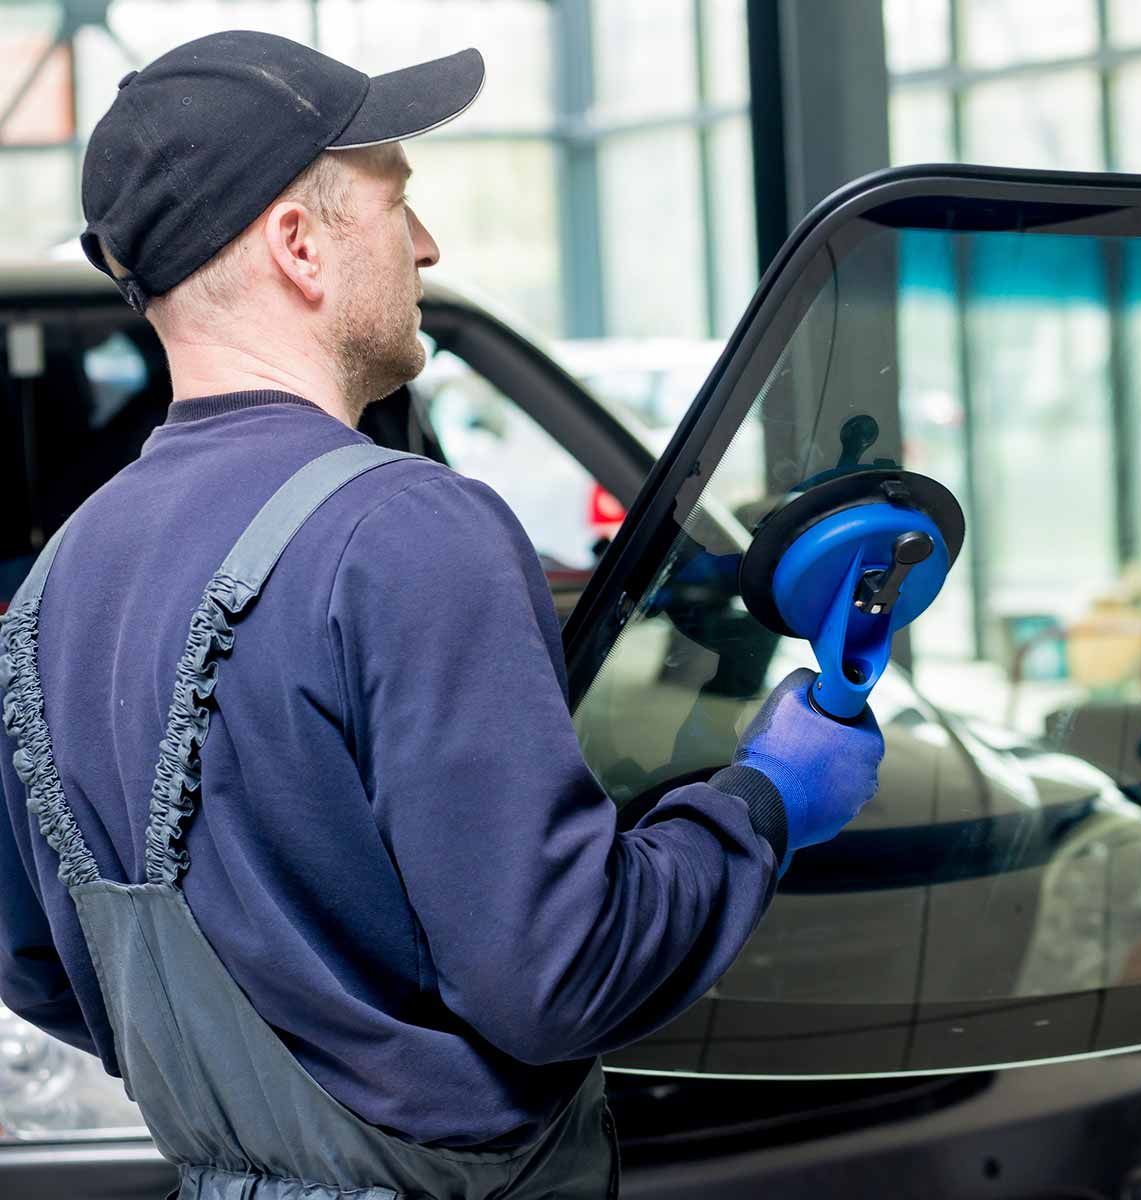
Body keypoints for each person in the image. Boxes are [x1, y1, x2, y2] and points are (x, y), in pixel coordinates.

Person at [0, 30, 884, 1200]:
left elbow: (41, 967)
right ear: (300, 247)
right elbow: (564, 977)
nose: (427, 243)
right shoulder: (407, 532)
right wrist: (766, 800)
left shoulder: (55, 586)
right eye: (396, 200)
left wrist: (262, 1064)